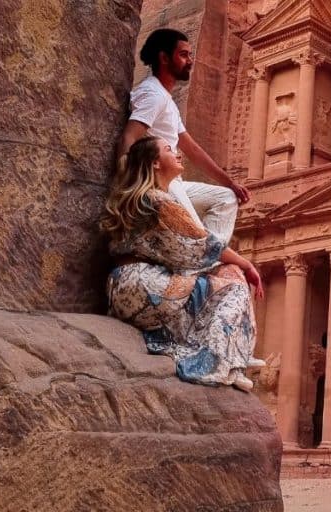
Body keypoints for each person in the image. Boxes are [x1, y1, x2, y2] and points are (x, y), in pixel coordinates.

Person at [101, 136, 264, 391]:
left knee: (214, 282)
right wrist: (246, 265)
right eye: (169, 150)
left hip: (123, 289)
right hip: (147, 288)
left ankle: (228, 356)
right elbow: (204, 245)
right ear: (155, 163)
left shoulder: (143, 198)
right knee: (233, 283)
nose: (177, 154)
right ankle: (217, 361)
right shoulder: (160, 201)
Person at [117, 28, 250, 245]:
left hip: (175, 182)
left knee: (226, 199)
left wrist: (231, 184)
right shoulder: (153, 95)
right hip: (159, 182)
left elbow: (192, 149)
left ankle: (206, 254)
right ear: (164, 58)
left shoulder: (166, 99)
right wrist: (127, 189)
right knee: (194, 230)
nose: (190, 60)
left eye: (190, 54)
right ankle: (203, 256)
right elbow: (128, 138)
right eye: (183, 55)